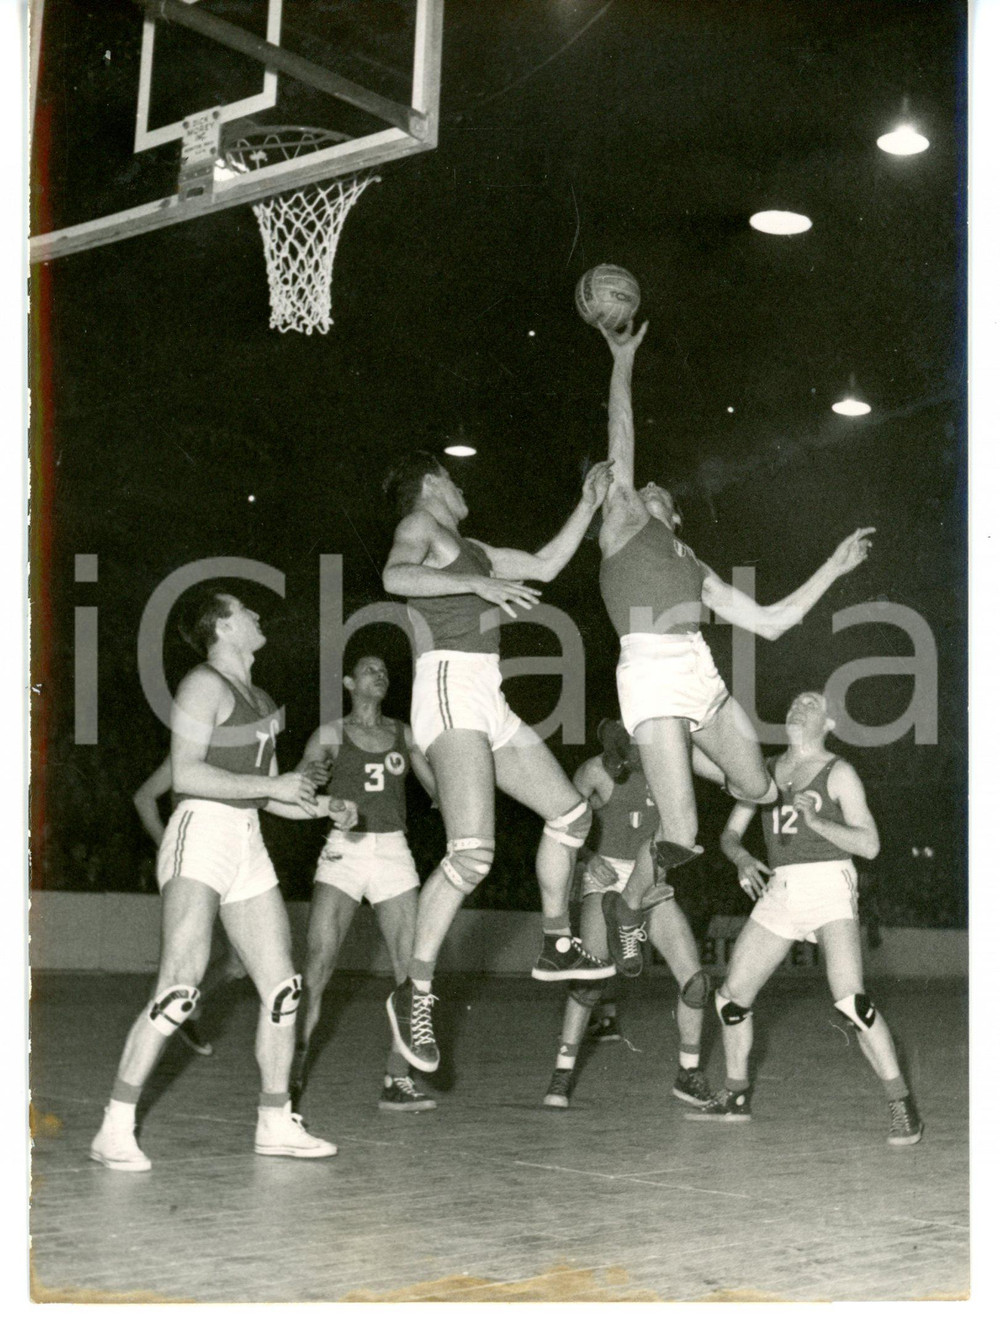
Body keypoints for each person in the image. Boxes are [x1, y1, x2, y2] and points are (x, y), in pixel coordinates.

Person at [595, 318, 876, 977]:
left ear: (676, 513)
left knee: (757, 782)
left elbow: (775, 621)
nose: (649, 486)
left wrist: (833, 568)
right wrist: (622, 359)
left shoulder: (695, 567)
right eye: (644, 484)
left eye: (661, 490)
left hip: (698, 669)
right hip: (650, 674)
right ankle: (629, 907)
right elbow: (621, 434)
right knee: (682, 834)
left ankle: (682, 755)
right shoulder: (623, 521)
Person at [89, 588, 358, 1171]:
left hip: (244, 839)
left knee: (284, 988)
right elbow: (187, 773)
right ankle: (115, 1125)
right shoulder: (201, 685)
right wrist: (277, 787)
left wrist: (320, 806)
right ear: (221, 626)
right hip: (202, 831)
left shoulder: (259, 698)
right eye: (246, 610)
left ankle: (274, 1120)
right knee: (181, 986)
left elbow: (267, 795)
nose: (258, 615)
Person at [380, 453, 617, 1074]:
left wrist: (588, 504)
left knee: (571, 813)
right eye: (453, 481)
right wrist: (474, 585)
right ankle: (416, 991)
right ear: (431, 482)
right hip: (448, 687)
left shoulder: (473, 546)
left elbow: (543, 565)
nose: (462, 490)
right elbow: (395, 578)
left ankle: (555, 939)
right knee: (471, 854)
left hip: (488, 694)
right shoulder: (419, 528)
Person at [687, 690, 922, 1146]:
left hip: (829, 883)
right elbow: (730, 835)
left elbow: (870, 845)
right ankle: (736, 1095)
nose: (798, 707)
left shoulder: (841, 773)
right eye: (794, 702)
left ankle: (901, 1104)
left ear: (829, 723)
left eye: (811, 704)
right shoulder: (767, 771)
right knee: (731, 997)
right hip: (782, 887)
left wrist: (817, 824)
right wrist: (740, 859)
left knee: (851, 1000)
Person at [291, 654, 441, 1113]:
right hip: (345, 849)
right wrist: (312, 775)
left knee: (412, 971)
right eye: (371, 669)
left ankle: (397, 1079)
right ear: (349, 681)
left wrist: (451, 797)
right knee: (317, 966)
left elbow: (438, 787)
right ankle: (290, 1077)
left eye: (385, 669)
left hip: (394, 851)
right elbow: (304, 776)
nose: (382, 674)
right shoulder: (332, 733)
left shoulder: (403, 733)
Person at [542, 720, 713, 1110]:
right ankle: (563, 1073)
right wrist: (586, 858)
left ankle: (688, 1074)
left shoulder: (673, 769)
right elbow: (557, 821)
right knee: (590, 979)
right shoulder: (595, 771)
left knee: (696, 983)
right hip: (606, 877)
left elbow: (678, 831)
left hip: (648, 883)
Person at [133, 756, 247, 1056]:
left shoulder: (240, 751)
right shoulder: (187, 752)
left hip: (230, 863)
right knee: (176, 964)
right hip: (194, 866)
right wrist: (166, 841)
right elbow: (143, 797)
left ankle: (186, 1012)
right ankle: (141, 1059)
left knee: (236, 963)